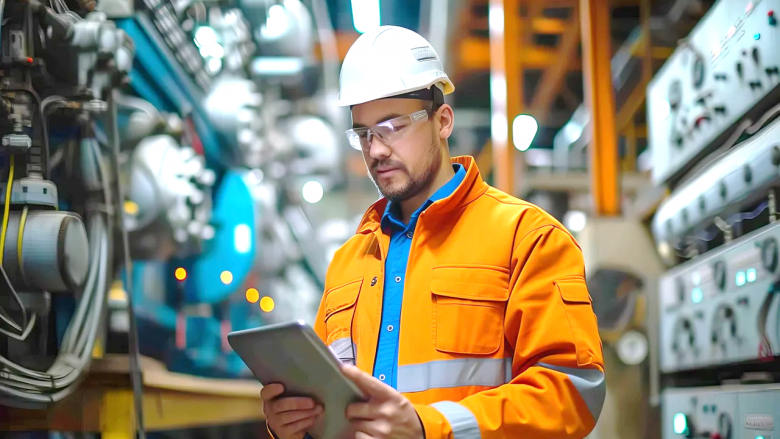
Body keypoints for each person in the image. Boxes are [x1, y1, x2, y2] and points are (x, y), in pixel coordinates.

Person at [261, 25, 605, 439]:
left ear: (442, 121)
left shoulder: (527, 237)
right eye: (364, 134)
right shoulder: (347, 263)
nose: (376, 150)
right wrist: (290, 427)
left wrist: (431, 428)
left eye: (392, 127)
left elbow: (572, 394)